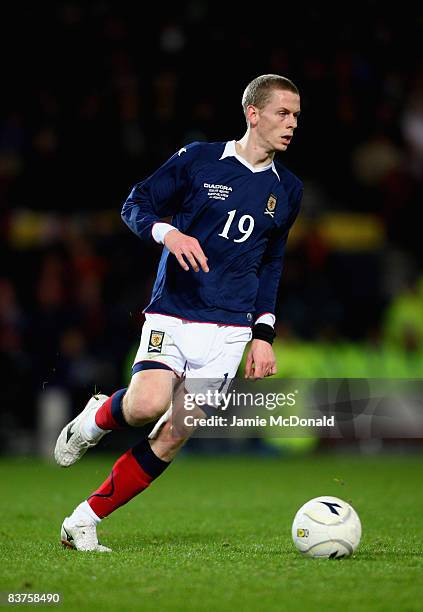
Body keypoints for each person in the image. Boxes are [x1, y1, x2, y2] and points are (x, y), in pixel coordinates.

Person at [54, 74, 303, 551]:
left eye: (296, 116)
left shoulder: (288, 189)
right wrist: (168, 233)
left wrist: (264, 334)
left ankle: (82, 520)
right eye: (282, 114)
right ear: (253, 114)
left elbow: (272, 262)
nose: (292, 124)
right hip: (176, 311)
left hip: (230, 331)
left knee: (174, 432)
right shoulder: (199, 159)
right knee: (147, 404)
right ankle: (94, 420)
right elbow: (135, 204)